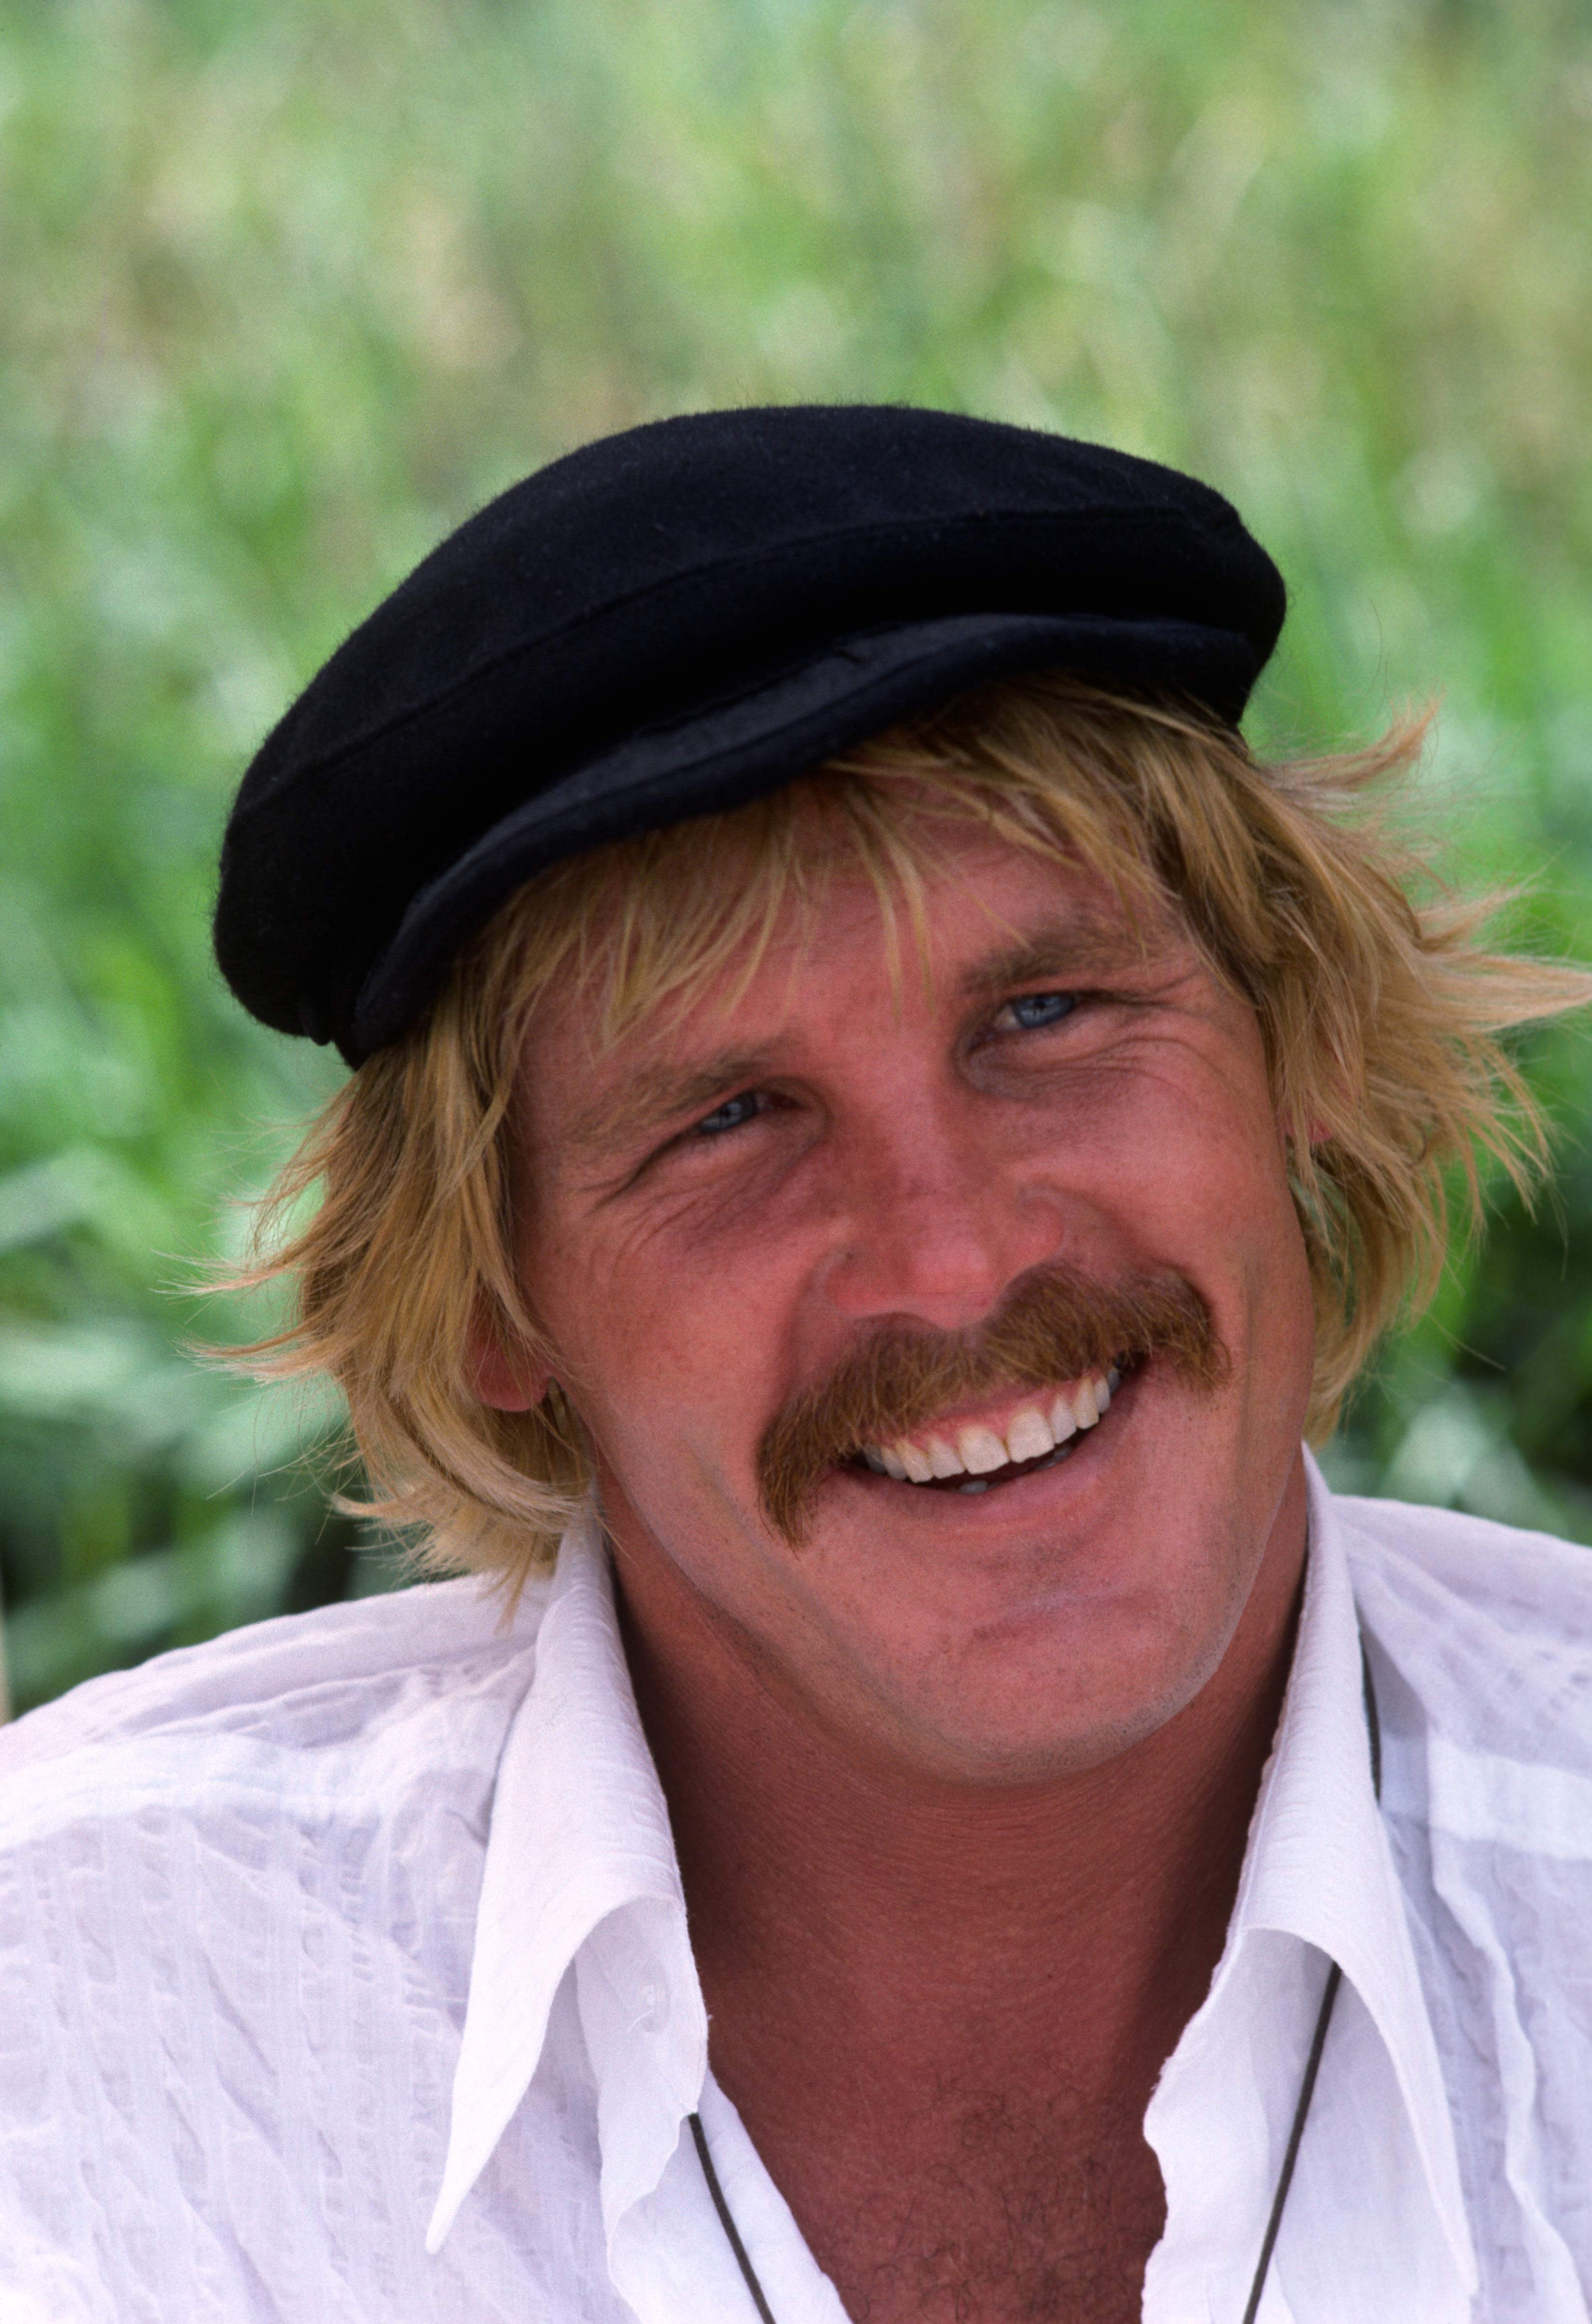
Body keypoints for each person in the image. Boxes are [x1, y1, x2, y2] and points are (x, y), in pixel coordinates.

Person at [0, 404, 1589, 2324]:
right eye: (732, 1117)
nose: (955, 1253)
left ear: (1302, 1056)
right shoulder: (82, 2028)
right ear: (497, 1300)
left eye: (1047, 1011)